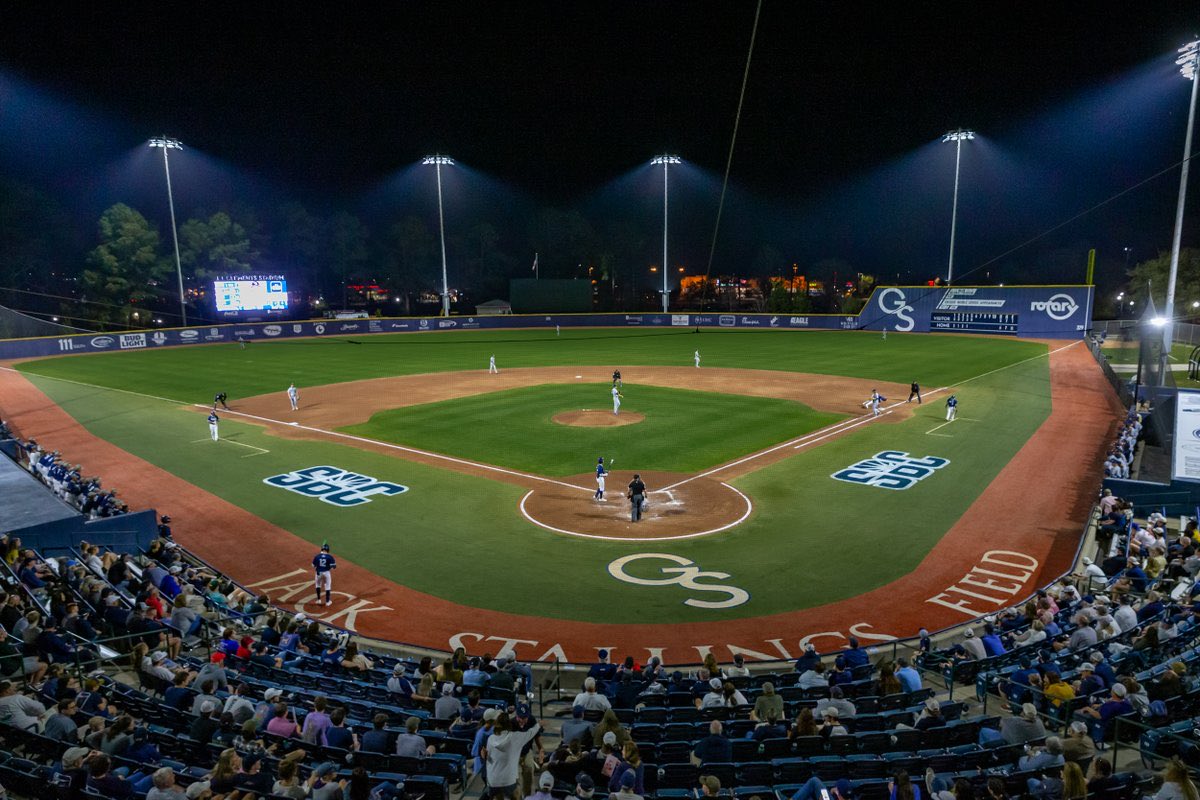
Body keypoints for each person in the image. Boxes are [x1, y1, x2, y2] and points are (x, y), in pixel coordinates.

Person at [313, 542, 335, 607]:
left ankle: (319, 600)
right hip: (326, 573)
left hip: (318, 573)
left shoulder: (317, 556)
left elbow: (313, 565)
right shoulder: (330, 557)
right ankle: (328, 602)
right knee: (328, 586)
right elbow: (334, 566)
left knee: (318, 585)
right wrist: (329, 566)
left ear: (321, 549)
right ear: (328, 550)